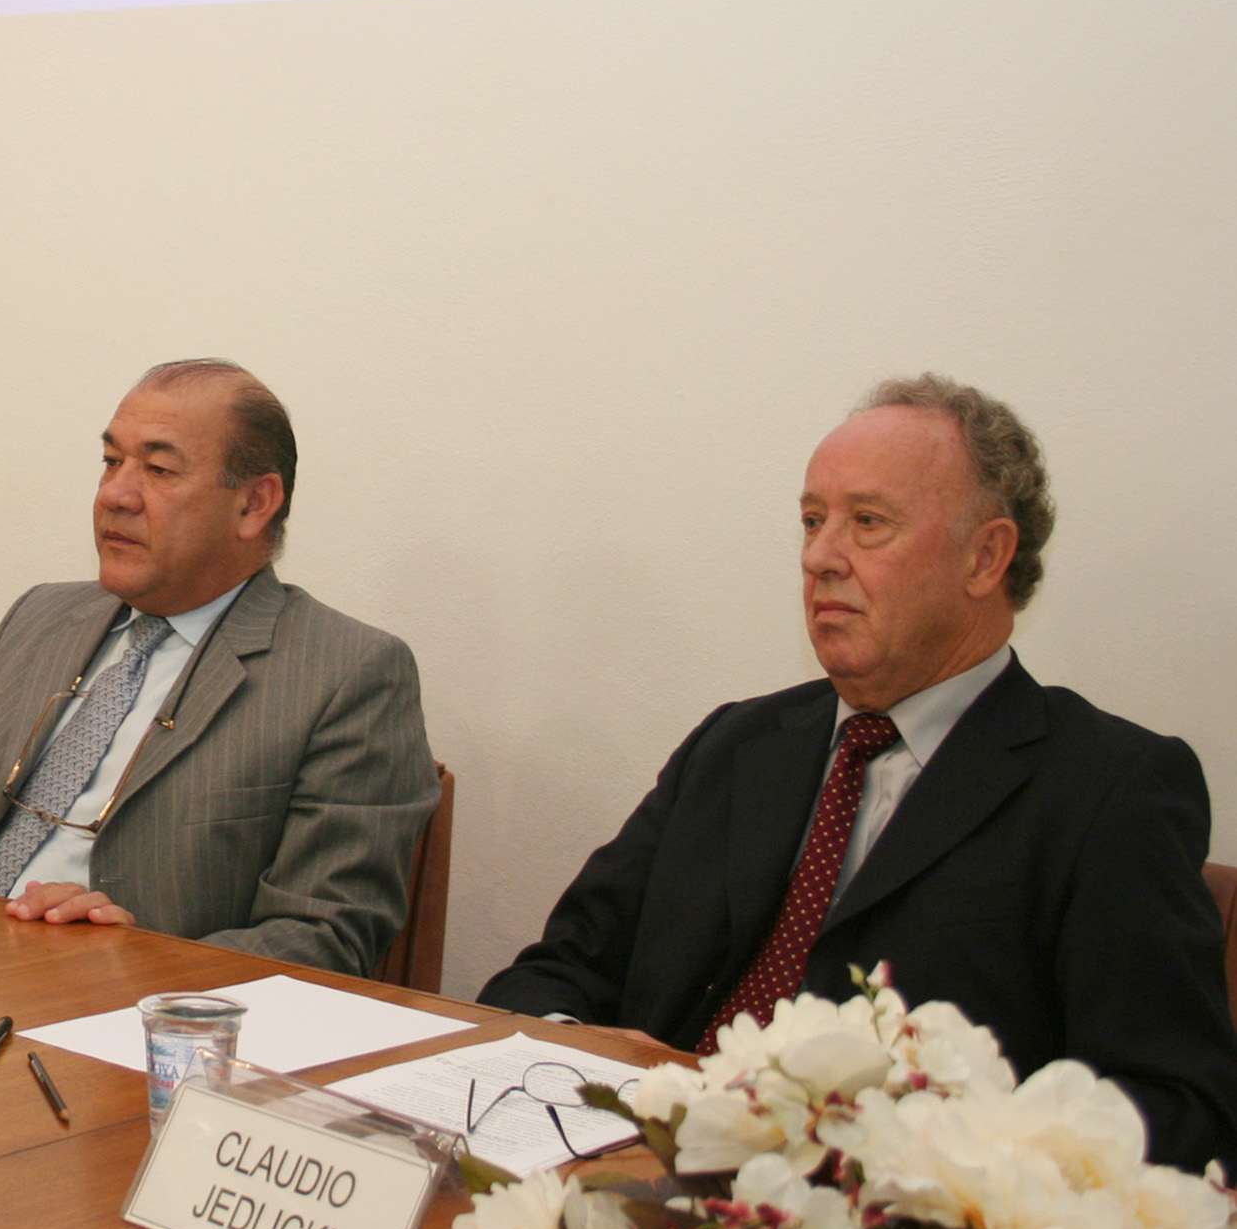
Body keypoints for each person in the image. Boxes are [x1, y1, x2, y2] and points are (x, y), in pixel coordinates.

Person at [480, 374, 1237, 1170]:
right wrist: (588, 1069)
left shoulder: (1108, 788)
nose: (818, 557)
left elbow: (1180, 1109)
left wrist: (923, 1161)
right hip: (627, 1178)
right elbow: (556, 973)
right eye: (811, 521)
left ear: (986, 557)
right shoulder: (737, 743)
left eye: (867, 523)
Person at [0, 359, 438, 976]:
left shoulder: (347, 674)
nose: (115, 494)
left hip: (128, 1044)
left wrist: (136, 959)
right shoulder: (42, 620)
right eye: (110, 461)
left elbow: (330, 941)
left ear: (254, 503)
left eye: (157, 469)